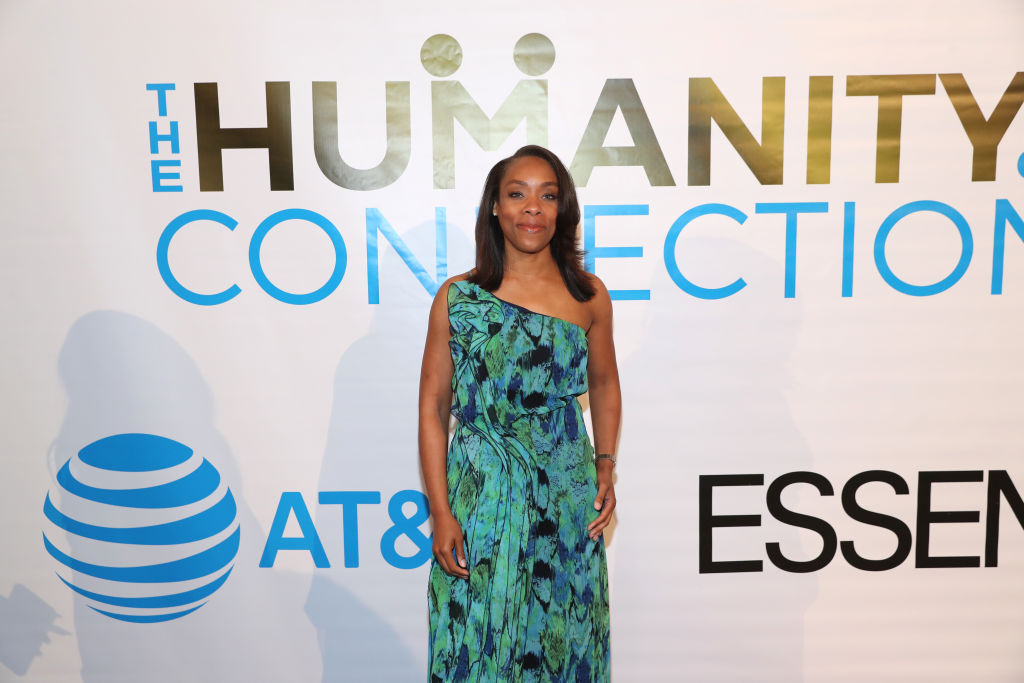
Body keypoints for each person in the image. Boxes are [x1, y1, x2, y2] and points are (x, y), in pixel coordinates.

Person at [418, 145, 621, 682]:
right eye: (517, 194)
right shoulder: (458, 298)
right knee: (475, 642)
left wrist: (605, 464)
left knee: (563, 642)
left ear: (562, 209)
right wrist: (441, 511)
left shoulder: (588, 295)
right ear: (495, 206)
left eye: (547, 196)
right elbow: (433, 408)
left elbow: (604, 383)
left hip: (566, 500)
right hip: (481, 499)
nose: (533, 207)